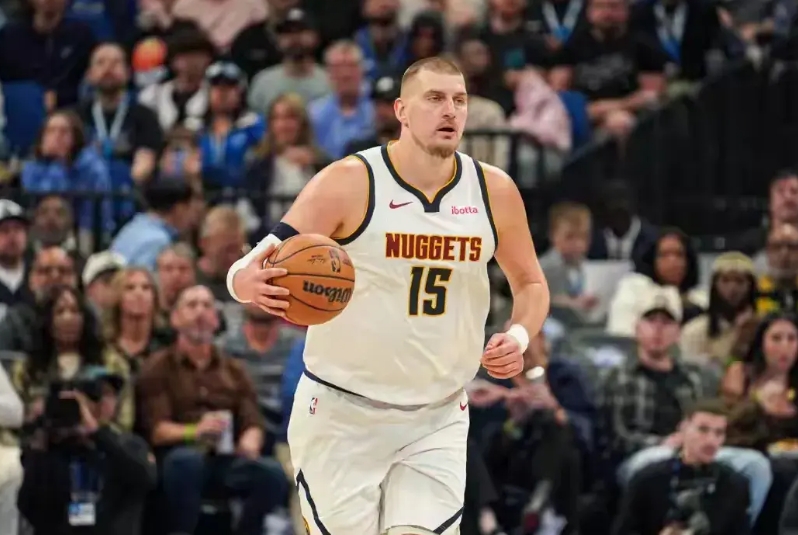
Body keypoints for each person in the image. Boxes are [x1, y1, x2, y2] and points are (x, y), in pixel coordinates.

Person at [227, 56, 550, 535]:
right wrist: (247, 283)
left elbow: (531, 283)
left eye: (459, 100)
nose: (450, 111)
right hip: (343, 413)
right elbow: (246, 268)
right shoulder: (350, 181)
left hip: (437, 416)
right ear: (401, 110)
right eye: (435, 98)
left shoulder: (493, 190)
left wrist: (519, 336)